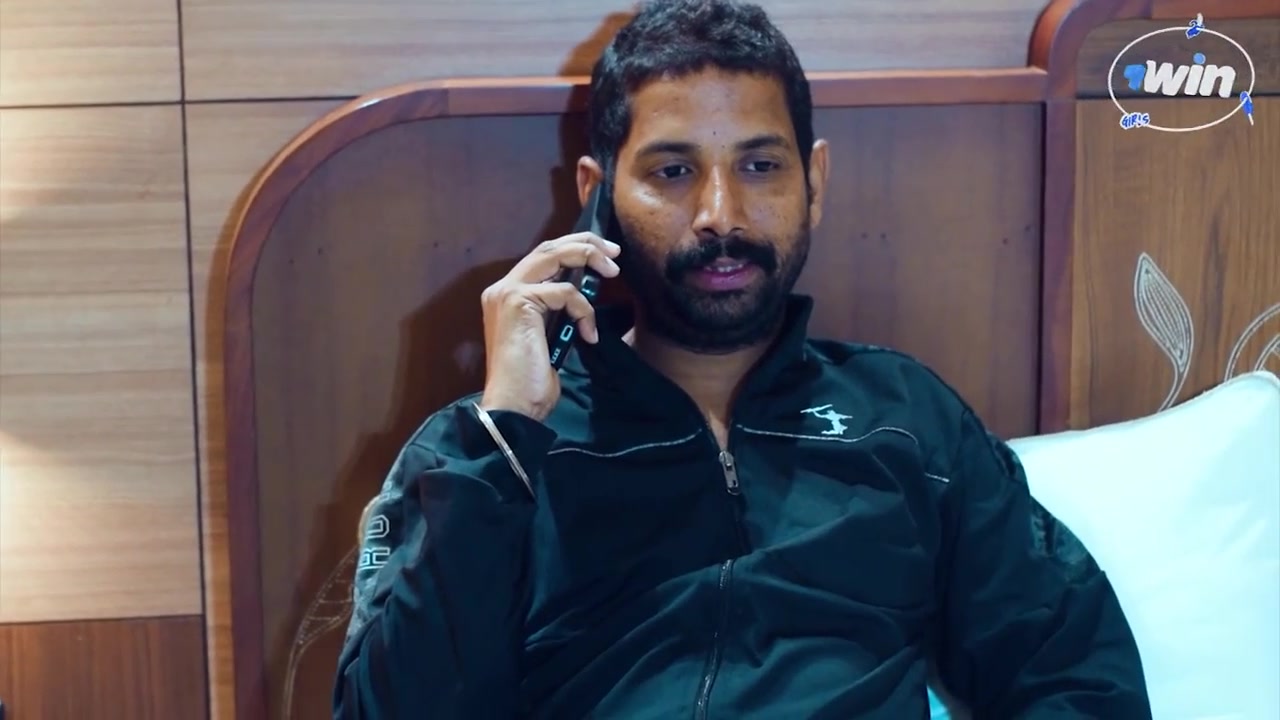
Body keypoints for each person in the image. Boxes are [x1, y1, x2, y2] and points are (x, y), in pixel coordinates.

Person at [332, 1, 1153, 717]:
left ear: (814, 182)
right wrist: (506, 434)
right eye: (673, 171)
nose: (720, 214)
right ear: (597, 194)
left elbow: (1075, 673)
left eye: (760, 167)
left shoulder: (905, 421)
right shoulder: (487, 453)